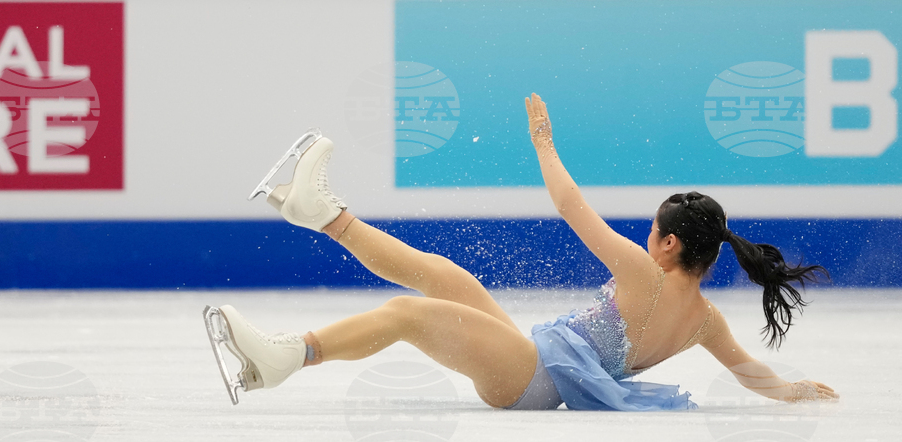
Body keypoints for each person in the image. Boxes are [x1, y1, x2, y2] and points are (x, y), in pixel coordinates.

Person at [205, 94, 838, 411]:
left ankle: (289, 357)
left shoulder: (644, 273)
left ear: (669, 244)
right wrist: (793, 391)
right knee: (444, 276)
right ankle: (325, 215)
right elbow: (750, 374)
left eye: (651, 230)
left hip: (533, 378)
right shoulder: (705, 319)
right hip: (537, 365)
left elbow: (570, 207)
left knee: (409, 315)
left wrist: (542, 142)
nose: (645, 237)